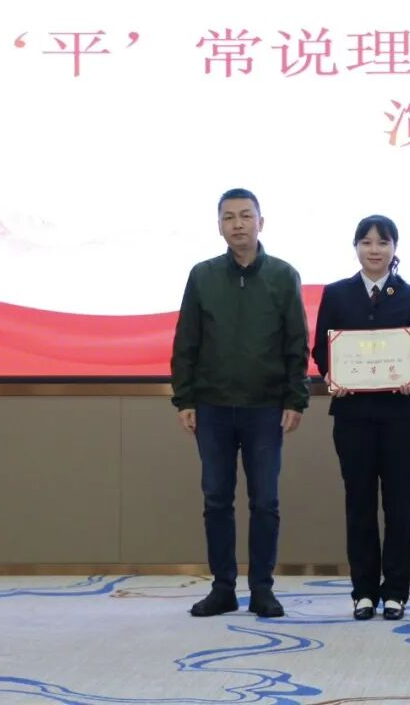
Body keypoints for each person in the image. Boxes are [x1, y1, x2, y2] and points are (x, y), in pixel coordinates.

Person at [170, 187, 310, 618]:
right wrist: (185, 398)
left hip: (266, 408)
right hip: (211, 407)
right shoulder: (203, 275)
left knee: (265, 501)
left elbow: (296, 342)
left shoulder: (283, 275)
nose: (238, 224)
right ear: (219, 226)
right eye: (228, 217)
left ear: (260, 223)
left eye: (246, 216)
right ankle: (223, 588)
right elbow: (186, 340)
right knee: (216, 500)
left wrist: (296, 399)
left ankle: (262, 589)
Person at [312, 215, 410, 621]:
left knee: (400, 506)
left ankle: (395, 592)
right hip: (353, 415)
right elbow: (322, 349)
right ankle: (363, 592)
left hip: (401, 416)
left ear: (395, 248)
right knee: (359, 504)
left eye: (383, 242)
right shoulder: (337, 294)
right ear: (356, 247)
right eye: (366, 242)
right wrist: (333, 375)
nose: (374, 250)